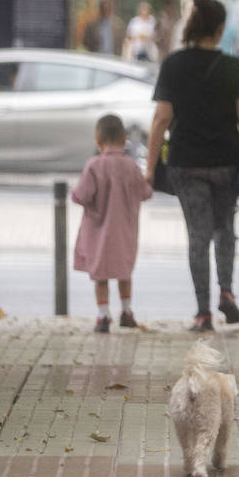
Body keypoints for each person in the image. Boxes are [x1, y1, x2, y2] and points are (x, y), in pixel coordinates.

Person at [145, 0, 239, 332]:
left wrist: (150, 166)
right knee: (224, 229)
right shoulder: (233, 67)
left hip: (186, 162)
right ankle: (227, 291)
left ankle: (203, 312)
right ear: (220, 29)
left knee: (198, 235)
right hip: (225, 160)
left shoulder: (173, 65)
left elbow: (161, 118)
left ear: (192, 25)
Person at [72, 114, 153, 333]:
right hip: (126, 232)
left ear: (98, 140)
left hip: (98, 234)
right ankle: (126, 311)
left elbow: (82, 195)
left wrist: (73, 193)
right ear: (124, 139)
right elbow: (145, 193)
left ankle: (103, 315)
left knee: (101, 276)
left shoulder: (94, 166)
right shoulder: (131, 166)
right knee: (124, 273)